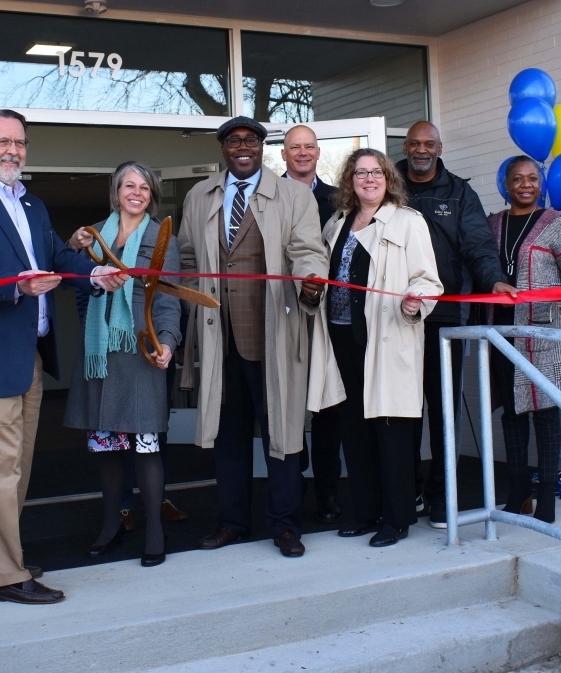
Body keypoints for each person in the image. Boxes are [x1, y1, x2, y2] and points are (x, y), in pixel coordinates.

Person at [0, 109, 125, 605]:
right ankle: (4, 576)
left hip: (29, 359)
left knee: (13, 470)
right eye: (2, 141)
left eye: (20, 142)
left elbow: (57, 259)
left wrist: (94, 273)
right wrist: (15, 288)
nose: (12, 150)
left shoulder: (33, 206)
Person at [177, 116, 329, 558]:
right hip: (218, 336)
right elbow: (187, 258)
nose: (242, 148)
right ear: (223, 149)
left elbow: (307, 250)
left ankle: (285, 525)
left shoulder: (294, 195)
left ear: (263, 148)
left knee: (281, 431)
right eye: (233, 142)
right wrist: (194, 306)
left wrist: (309, 280)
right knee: (229, 437)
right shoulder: (199, 194)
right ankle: (231, 522)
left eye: (251, 141)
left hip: (271, 331)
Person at [306, 148, 443, 547]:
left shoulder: (407, 222)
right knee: (356, 431)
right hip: (343, 339)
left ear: (388, 179)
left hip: (387, 339)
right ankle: (364, 512)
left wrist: (415, 300)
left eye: (376, 172)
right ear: (350, 180)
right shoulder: (336, 224)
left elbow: (428, 280)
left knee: (391, 432)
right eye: (360, 173)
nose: (368, 179)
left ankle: (395, 518)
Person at [394, 121, 514, 529]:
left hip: (445, 320)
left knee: (444, 412)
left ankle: (442, 496)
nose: (421, 150)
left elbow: (478, 245)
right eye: (414, 143)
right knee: (401, 412)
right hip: (396, 316)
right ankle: (404, 492)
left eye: (429, 143)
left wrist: (493, 278)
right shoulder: (388, 185)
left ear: (440, 147)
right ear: (405, 146)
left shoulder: (460, 192)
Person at [63, 161, 180, 567]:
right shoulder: (92, 235)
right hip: (101, 355)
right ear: (116, 191)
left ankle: (154, 530)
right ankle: (111, 525)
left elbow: (169, 298)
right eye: (128, 185)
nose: (135, 192)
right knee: (108, 450)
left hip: (142, 351)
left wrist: (167, 341)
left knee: (146, 447)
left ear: (152, 195)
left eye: (144, 187)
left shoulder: (163, 237)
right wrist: (95, 322)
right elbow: (79, 287)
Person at [486, 155, 561, 524]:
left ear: (540, 183)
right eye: (517, 178)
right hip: (501, 332)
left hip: (542, 331)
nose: (525, 184)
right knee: (511, 415)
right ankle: (518, 493)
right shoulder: (493, 223)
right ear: (506, 184)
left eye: (532, 178)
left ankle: (546, 497)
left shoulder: (555, 222)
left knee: (545, 414)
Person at [281, 124, 343, 524]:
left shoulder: (339, 200)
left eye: (309, 147)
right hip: (282, 314)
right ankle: (290, 492)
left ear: (318, 153)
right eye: (294, 148)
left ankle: (327, 494)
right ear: (284, 155)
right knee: (286, 405)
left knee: (327, 410)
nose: (302, 153)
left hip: (327, 317)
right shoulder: (268, 196)